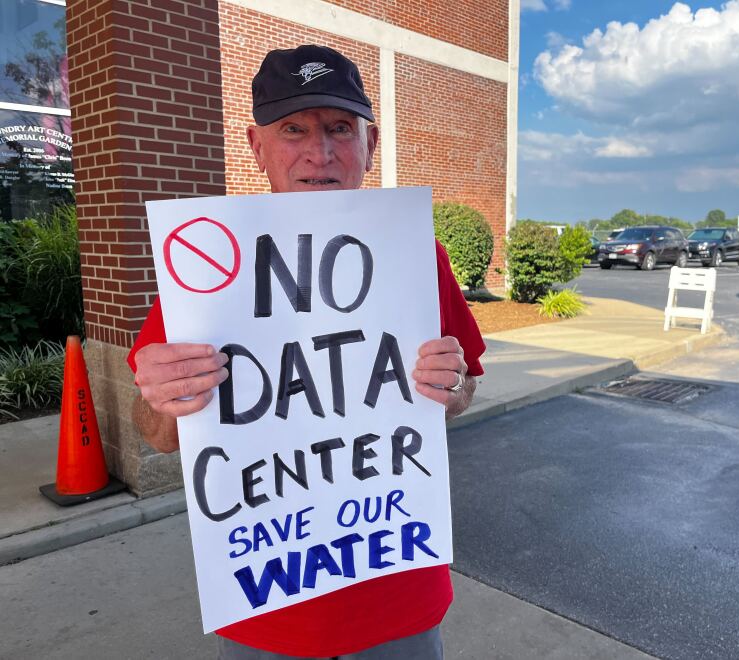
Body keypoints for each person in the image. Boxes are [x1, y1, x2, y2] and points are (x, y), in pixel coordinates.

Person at [128, 45, 486, 659]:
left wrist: (450, 388)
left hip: (397, 592)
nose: (320, 154)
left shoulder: (417, 253)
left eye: (340, 129)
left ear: (368, 144)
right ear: (256, 145)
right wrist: (164, 399)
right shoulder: (208, 263)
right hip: (265, 604)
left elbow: (464, 388)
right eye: (294, 129)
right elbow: (159, 435)